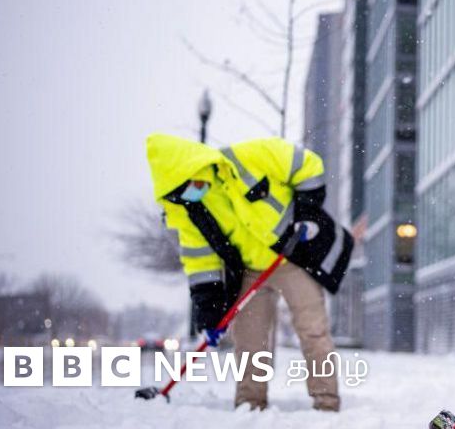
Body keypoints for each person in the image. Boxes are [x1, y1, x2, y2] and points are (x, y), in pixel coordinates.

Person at [146, 133, 349, 412]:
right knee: (250, 341)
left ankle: (327, 403)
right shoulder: (192, 211)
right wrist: (209, 314)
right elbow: (200, 262)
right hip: (250, 271)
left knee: (313, 331)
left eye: (188, 186)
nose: (189, 195)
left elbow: (309, 165)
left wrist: (307, 215)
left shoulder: (251, 156)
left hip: (292, 260)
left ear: (198, 166)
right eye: (180, 194)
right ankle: (250, 405)